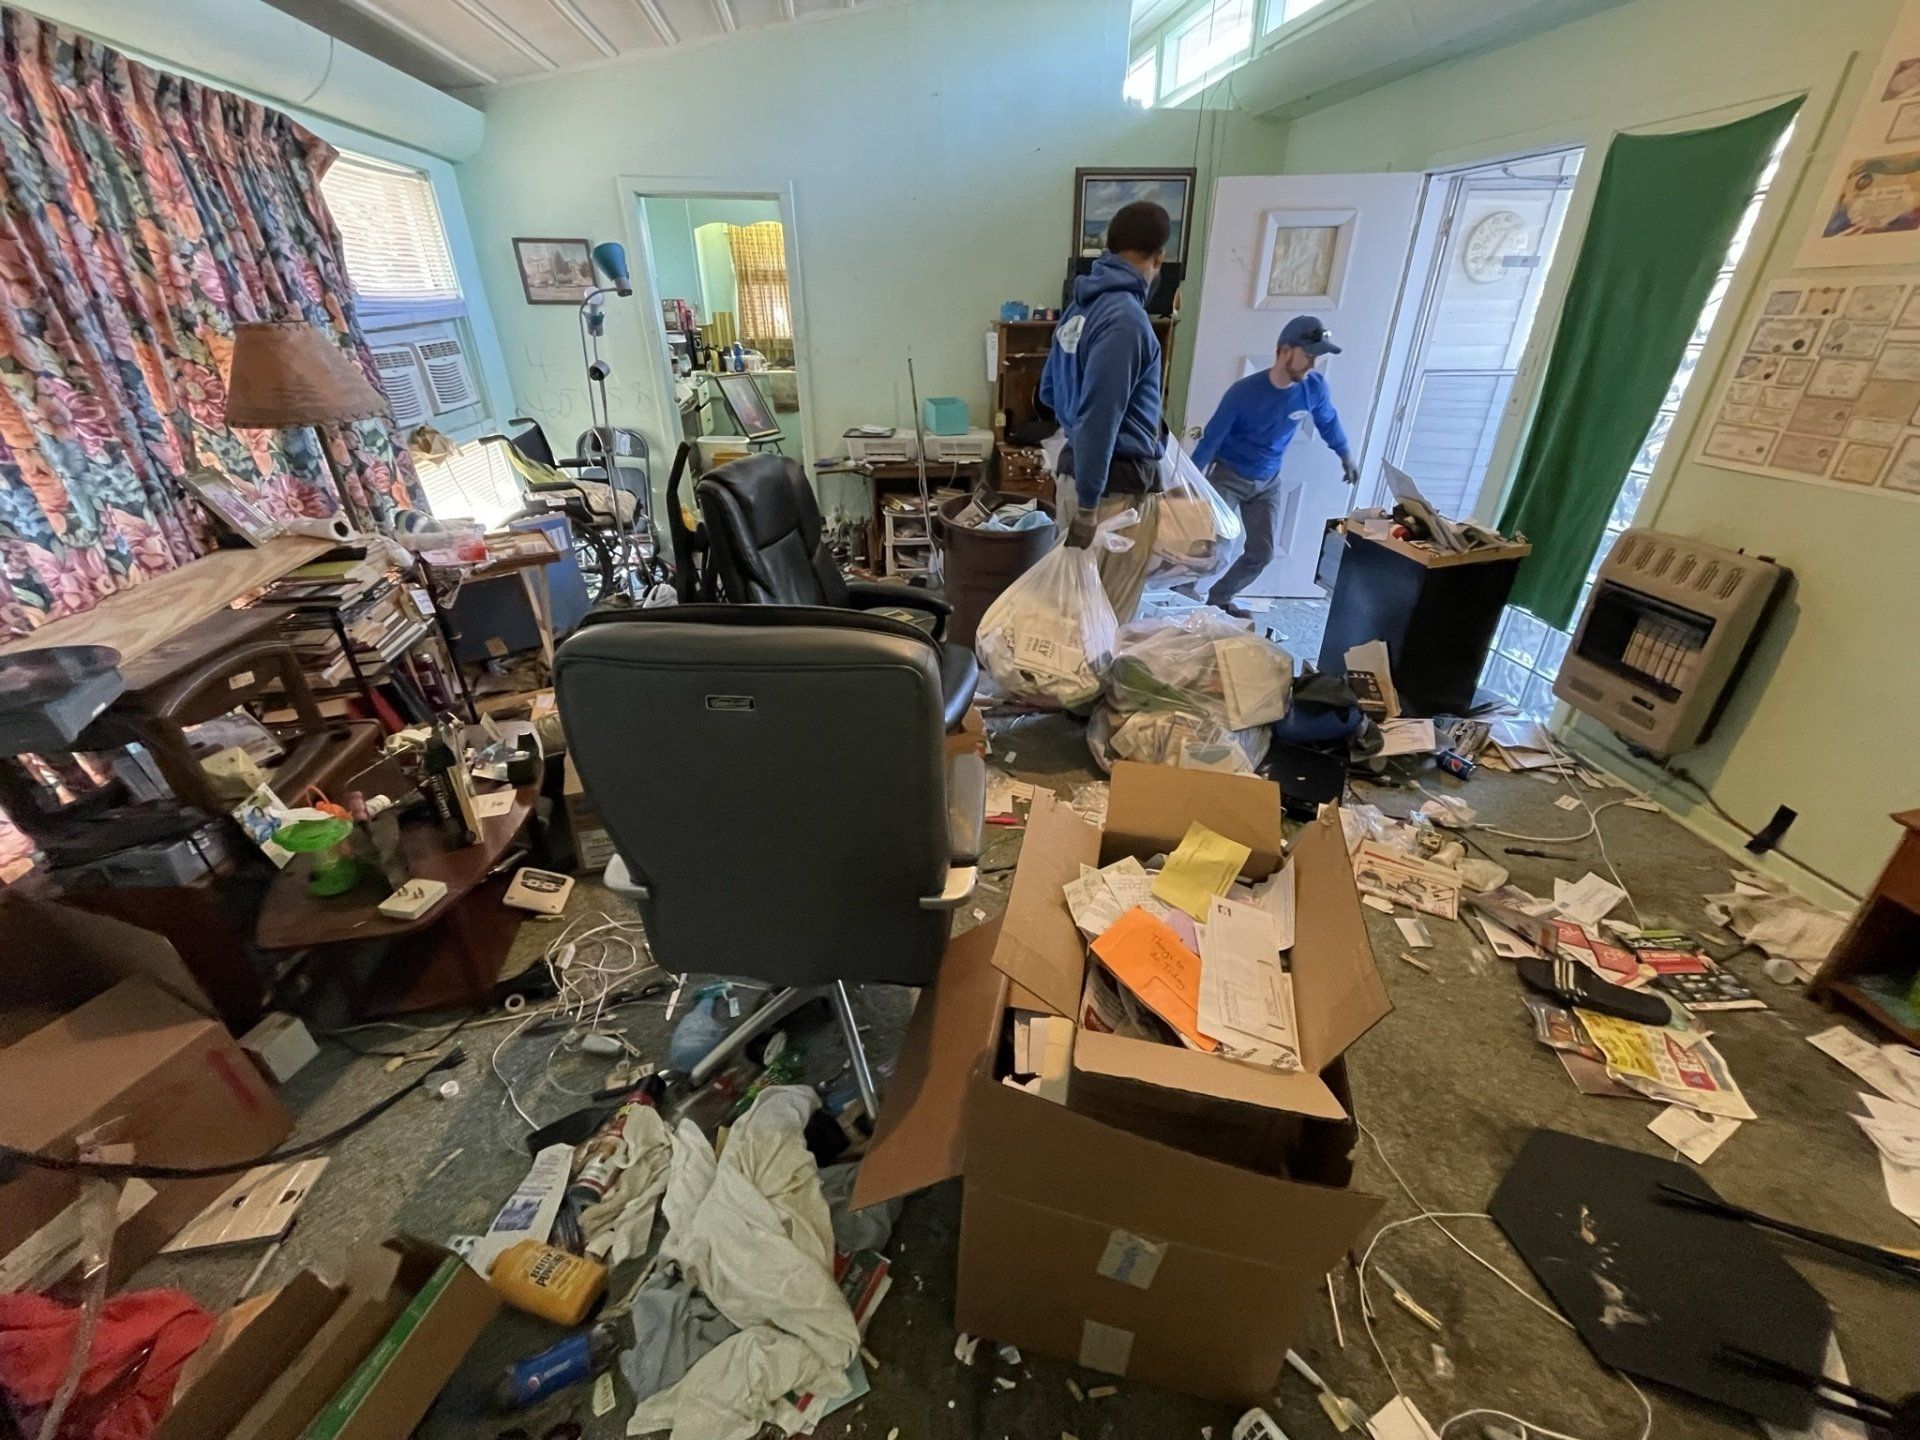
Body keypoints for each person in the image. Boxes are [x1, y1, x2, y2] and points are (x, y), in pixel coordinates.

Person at [1039, 199, 1168, 624]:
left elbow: (1049, 390)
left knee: (1073, 616)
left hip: (1079, 476)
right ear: (1158, 256)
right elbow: (1101, 416)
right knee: (1102, 625)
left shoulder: (1080, 307)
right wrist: (1090, 507)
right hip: (1112, 493)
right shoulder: (1127, 320)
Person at [1191, 315, 1360, 618]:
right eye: (1307, 356)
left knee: (1262, 552)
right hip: (1227, 476)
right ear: (1284, 351)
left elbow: (1328, 421)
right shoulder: (1243, 393)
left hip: (1267, 482)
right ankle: (1181, 594)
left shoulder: (1314, 388)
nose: (1312, 365)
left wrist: (1345, 454)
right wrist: (1188, 482)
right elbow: (1211, 439)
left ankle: (1219, 599)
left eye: (1316, 359)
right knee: (1213, 549)